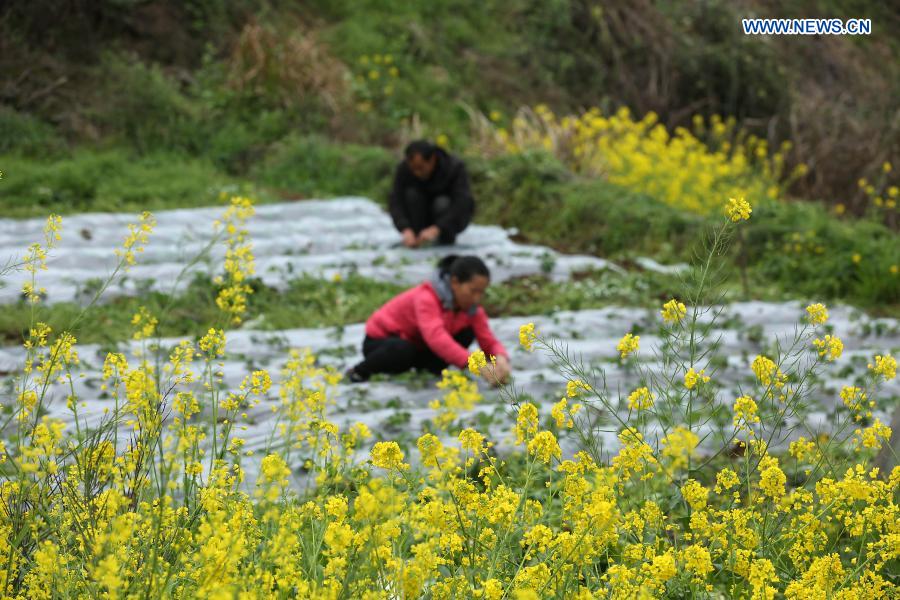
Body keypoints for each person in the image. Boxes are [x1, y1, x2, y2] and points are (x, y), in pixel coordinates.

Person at [345, 255, 511, 385]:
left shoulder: (473, 310)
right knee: (402, 350)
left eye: (481, 292)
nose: (476, 298)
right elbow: (436, 338)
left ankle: (425, 371)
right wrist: (477, 364)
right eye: (472, 291)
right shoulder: (427, 298)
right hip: (382, 343)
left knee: (466, 334)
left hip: (418, 345)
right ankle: (359, 371)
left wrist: (500, 358)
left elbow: (488, 340)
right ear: (454, 282)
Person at [388, 139, 475, 247]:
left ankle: (445, 239)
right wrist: (405, 228)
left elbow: (462, 203)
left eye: (420, 168)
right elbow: (396, 200)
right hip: (420, 218)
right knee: (412, 195)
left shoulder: (454, 168)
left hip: (446, 219)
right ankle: (417, 238)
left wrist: (437, 228)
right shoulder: (404, 169)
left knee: (442, 203)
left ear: (432, 159)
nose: (416, 173)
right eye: (413, 169)